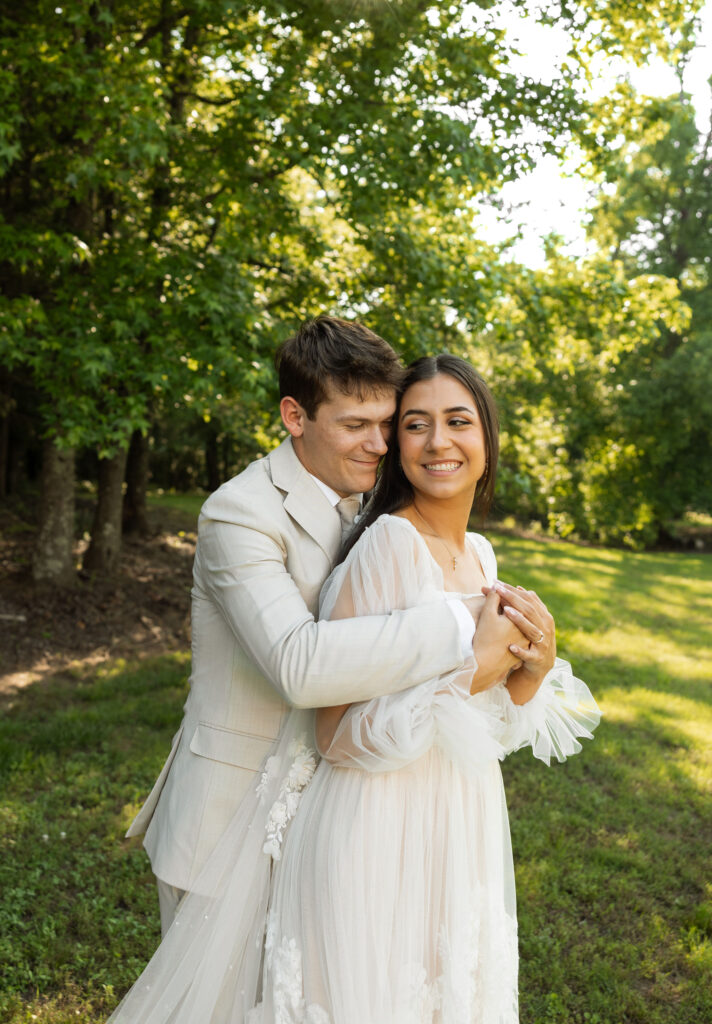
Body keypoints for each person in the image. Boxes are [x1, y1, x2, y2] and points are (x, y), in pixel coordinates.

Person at [109, 355, 599, 1024]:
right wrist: (467, 641)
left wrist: (529, 672)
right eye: (381, 425)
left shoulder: (442, 537)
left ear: (488, 436)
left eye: (387, 425)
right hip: (251, 806)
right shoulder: (244, 514)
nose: (383, 442)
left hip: (427, 818)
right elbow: (304, 672)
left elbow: (473, 717)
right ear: (296, 417)